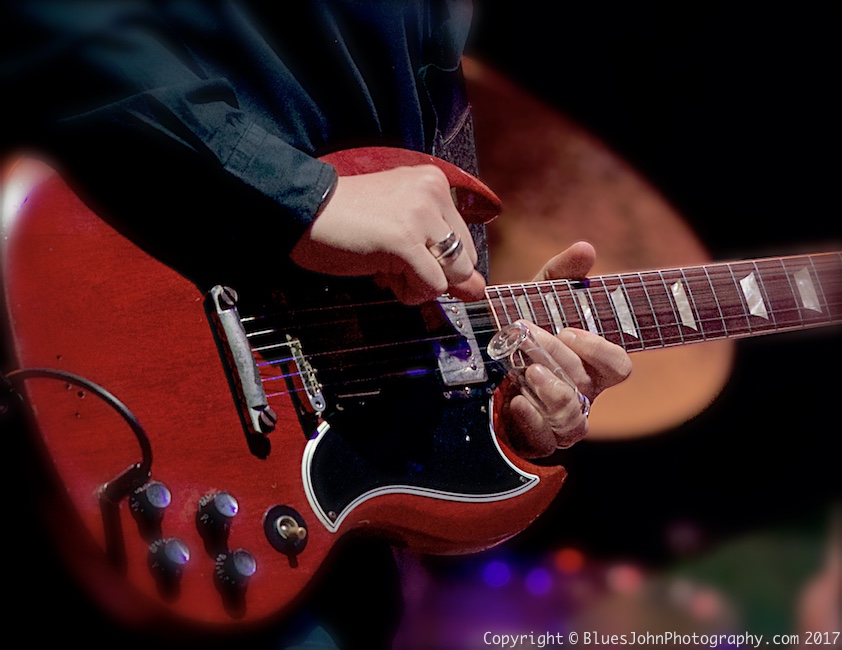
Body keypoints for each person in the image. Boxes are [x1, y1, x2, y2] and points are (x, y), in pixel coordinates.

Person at [0, 2, 632, 648]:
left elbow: (410, 192)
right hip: (94, 339)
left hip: (290, 540)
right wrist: (304, 196)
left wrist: (497, 385)